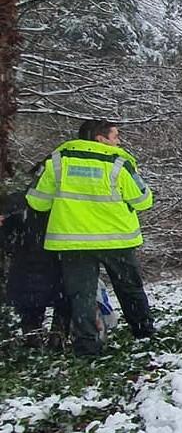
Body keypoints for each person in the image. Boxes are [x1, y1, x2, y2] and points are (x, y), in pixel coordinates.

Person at [25, 120, 157, 356]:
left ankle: (87, 346)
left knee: (81, 296)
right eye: (115, 136)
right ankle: (143, 333)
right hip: (117, 239)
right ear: (100, 139)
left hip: (72, 241)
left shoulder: (58, 160)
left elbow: (37, 201)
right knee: (129, 289)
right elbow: (143, 200)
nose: (119, 141)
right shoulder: (118, 162)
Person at [2, 187, 69, 348]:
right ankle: (57, 339)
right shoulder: (66, 202)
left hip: (26, 263)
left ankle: (34, 340)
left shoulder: (19, 202)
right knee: (64, 301)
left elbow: (6, 236)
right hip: (58, 261)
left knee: (30, 306)